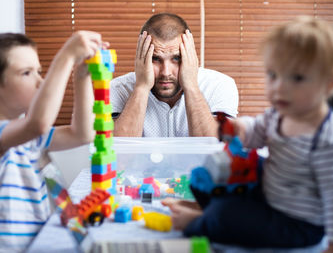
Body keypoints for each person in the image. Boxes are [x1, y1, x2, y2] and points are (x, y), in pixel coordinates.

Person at [163, 16, 333, 253]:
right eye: (273, 75)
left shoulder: (328, 138)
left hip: (296, 222)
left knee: (227, 215)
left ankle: (200, 222)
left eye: (297, 78)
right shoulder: (281, 112)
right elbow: (257, 130)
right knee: (208, 175)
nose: (279, 87)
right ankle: (206, 208)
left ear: (330, 83)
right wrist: (241, 129)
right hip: (268, 191)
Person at [0, 31, 105, 252]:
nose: (40, 81)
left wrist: (81, 76)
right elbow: (38, 123)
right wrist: (66, 56)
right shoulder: (19, 132)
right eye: (26, 73)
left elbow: (82, 133)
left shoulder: (28, 138)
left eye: (39, 71)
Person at [110, 13, 239, 137]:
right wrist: (141, 87)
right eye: (155, 58)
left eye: (176, 58)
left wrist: (191, 86)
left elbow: (215, 148)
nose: (166, 72)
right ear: (141, 57)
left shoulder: (219, 85)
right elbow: (117, 151)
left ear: (191, 56)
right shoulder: (117, 89)